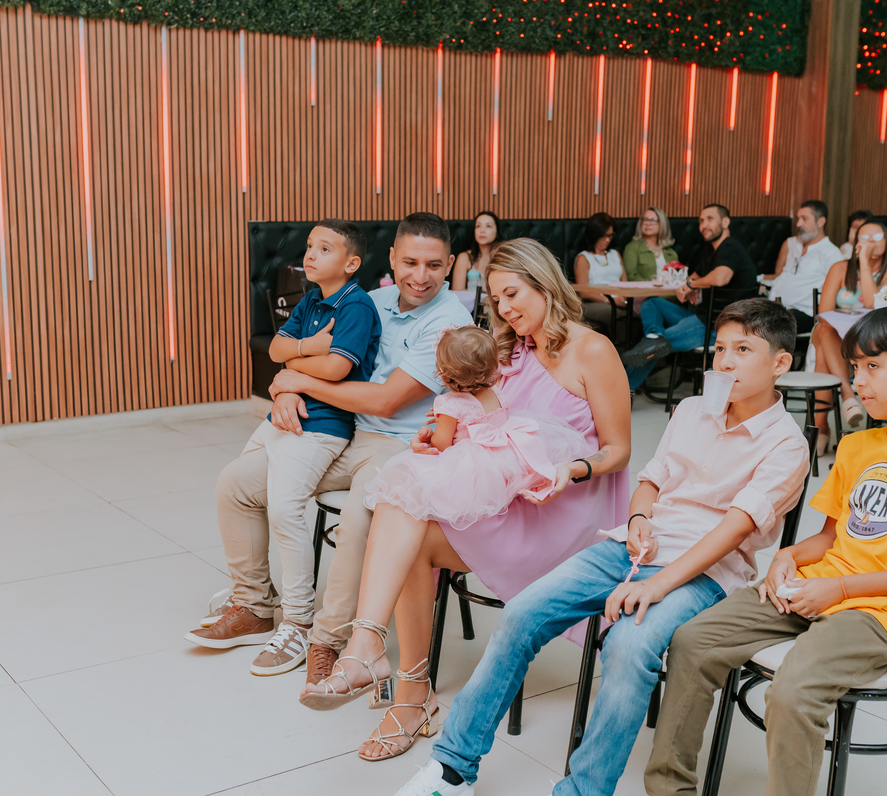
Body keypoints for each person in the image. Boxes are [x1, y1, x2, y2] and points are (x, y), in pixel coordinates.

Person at [391, 299, 810, 796]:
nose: (725, 360)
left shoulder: (787, 444)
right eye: (720, 348)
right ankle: (453, 769)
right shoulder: (695, 409)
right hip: (636, 548)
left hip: (707, 573)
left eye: (743, 349)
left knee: (629, 645)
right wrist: (637, 518)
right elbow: (652, 481)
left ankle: (584, 790)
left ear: (780, 363)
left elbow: (734, 532)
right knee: (523, 612)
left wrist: (653, 586)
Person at [299, 238, 632, 764]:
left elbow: (618, 450)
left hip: (562, 512)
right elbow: (487, 428)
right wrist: (437, 436)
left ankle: (395, 681)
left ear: (544, 282)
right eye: (496, 300)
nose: (505, 309)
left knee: (408, 519)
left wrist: (572, 469)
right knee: (405, 504)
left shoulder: (592, 350)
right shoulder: (509, 354)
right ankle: (387, 667)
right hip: (504, 504)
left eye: (513, 294)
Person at [645, 305, 887, 796]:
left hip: (885, 612)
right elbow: (830, 538)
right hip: (817, 586)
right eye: (854, 369)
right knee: (694, 640)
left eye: (873, 367)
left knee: (793, 691)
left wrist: (840, 588)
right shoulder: (858, 445)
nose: (858, 382)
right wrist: (789, 557)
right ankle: (668, 789)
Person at [196, 213, 471, 680]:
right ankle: (255, 604)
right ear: (390, 259)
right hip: (341, 430)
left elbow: (386, 401)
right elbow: (304, 354)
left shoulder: (449, 321)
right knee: (236, 484)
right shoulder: (371, 300)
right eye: (409, 262)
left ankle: (326, 636)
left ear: (448, 266)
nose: (419, 276)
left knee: (362, 512)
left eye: (433, 265)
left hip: (401, 444)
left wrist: (293, 378)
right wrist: (285, 389)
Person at [184, 219, 382, 671]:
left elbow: (336, 370)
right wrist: (307, 348)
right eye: (309, 246)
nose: (310, 254)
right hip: (287, 413)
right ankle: (253, 604)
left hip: (322, 425)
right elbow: (275, 349)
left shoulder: (357, 306)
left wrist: (295, 366)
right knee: (232, 485)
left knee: (284, 507)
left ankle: (297, 619)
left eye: (324, 249)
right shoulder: (313, 298)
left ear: (351, 263)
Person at [364, 325, 591, 529]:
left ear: (443, 372)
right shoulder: (497, 392)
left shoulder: (449, 403)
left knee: (407, 476)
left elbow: (442, 445)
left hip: (471, 464)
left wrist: (428, 435)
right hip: (504, 455)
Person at [621, 205, 758, 390]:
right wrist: (685, 287)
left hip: (719, 327)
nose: (704, 225)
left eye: (710, 219)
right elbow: (695, 275)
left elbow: (720, 277)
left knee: (652, 348)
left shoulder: (730, 247)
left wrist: (692, 285)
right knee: (652, 303)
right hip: (703, 318)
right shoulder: (711, 250)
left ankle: (621, 393)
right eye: (701, 221)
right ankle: (654, 334)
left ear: (725, 222)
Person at [810, 222, 887, 443]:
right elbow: (823, 312)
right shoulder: (839, 268)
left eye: (876, 236)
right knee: (825, 329)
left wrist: (863, 262)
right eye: (864, 237)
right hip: (831, 331)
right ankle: (847, 393)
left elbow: (874, 304)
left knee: (824, 356)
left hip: (870, 336)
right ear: (855, 243)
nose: (870, 241)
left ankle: (820, 431)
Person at [770, 200, 844, 337]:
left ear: (821, 222)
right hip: (778, 308)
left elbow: (839, 290)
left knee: (768, 325)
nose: (798, 224)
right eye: (798, 219)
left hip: (806, 314)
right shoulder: (795, 247)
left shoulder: (831, 253)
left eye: (804, 219)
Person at [574, 211, 628, 331]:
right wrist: (610, 300)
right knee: (617, 314)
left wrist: (623, 298)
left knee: (640, 311)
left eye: (610, 236)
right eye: (604, 236)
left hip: (620, 300)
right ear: (595, 235)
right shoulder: (584, 258)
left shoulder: (615, 254)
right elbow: (583, 292)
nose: (607, 240)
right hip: (596, 302)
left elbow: (625, 283)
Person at [451, 211, 503, 291]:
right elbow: (458, 292)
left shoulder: (504, 256)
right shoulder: (464, 257)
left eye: (488, 226)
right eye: (478, 226)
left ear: (497, 232)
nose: (482, 230)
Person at [623, 207, 678, 282]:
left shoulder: (670, 252)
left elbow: (678, 276)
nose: (648, 223)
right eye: (645, 219)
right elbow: (631, 277)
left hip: (670, 293)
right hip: (645, 292)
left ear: (662, 223)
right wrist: (655, 285)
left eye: (653, 220)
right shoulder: (632, 248)